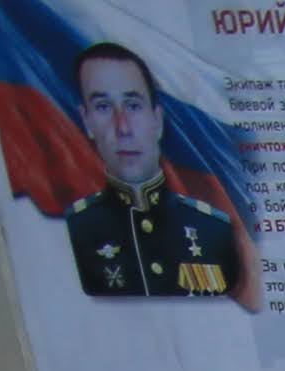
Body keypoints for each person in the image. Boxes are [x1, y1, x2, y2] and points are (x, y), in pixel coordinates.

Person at [63, 41, 255, 310]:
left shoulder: (213, 228)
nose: (122, 127)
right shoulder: (76, 228)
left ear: (157, 119)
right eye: (103, 107)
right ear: (87, 121)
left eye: (133, 105)